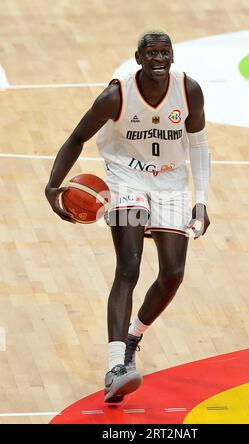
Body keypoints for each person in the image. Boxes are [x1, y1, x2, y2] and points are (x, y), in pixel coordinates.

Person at [45, 30, 211, 403]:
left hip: (171, 181)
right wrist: (52, 185)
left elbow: (199, 145)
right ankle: (116, 365)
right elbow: (76, 138)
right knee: (128, 267)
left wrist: (201, 201)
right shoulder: (116, 95)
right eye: (151, 53)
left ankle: (134, 336)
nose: (158, 59)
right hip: (125, 178)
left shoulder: (189, 91)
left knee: (173, 274)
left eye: (164, 52)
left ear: (172, 56)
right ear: (138, 58)